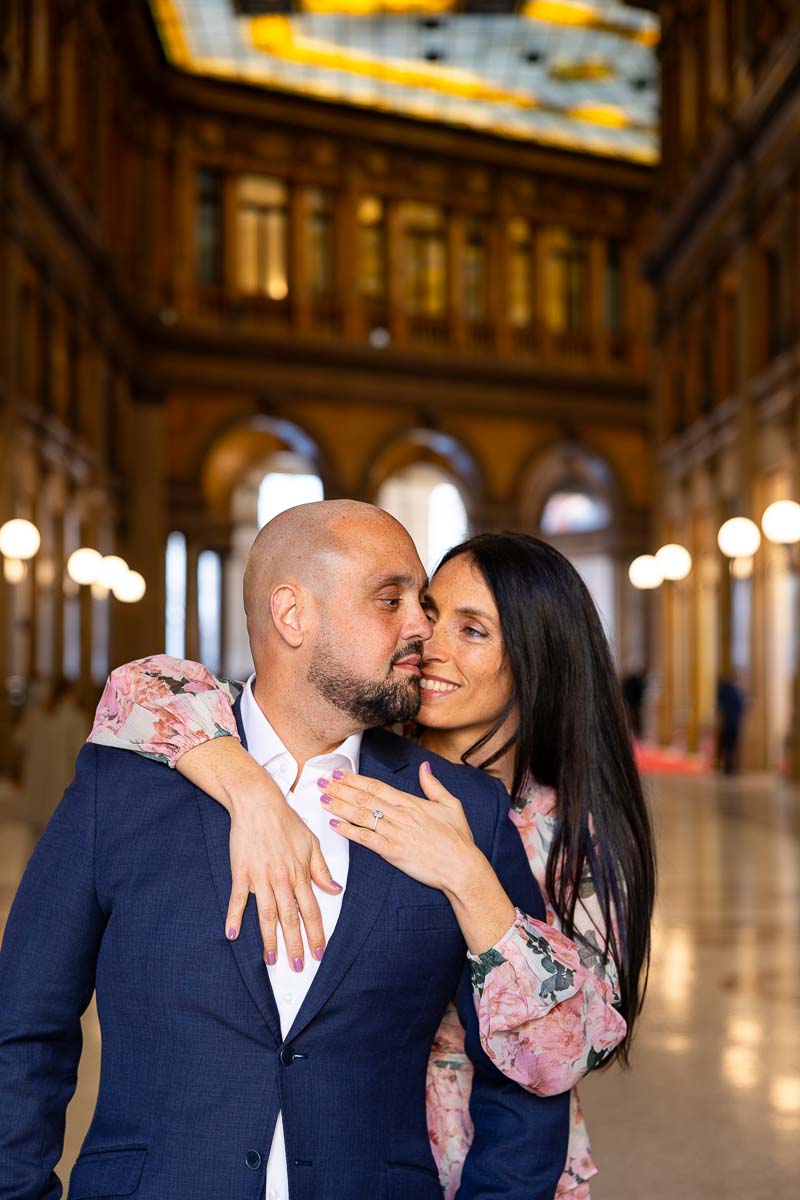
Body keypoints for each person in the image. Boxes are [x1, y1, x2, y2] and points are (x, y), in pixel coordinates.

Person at [0, 502, 569, 1200]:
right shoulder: (123, 786)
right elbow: (23, 1029)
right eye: (391, 600)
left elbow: (525, 1079)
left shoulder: (464, 812)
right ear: (292, 615)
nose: (422, 628)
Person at [717, 673, 745, 775]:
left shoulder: (732, 690)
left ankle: (728, 767)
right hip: (731, 722)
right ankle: (727, 767)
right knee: (729, 745)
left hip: (731, 721)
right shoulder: (730, 690)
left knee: (729, 745)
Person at [621, 669, 647, 741]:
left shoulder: (632, 680)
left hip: (631, 702)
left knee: (633, 718)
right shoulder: (636, 680)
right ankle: (636, 733)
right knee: (633, 718)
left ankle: (635, 733)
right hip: (634, 703)